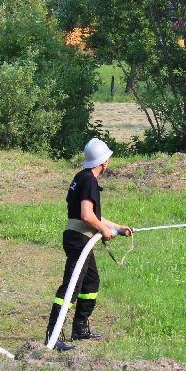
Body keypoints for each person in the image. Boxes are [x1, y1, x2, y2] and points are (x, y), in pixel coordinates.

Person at [45, 138, 132, 351]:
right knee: (71, 286)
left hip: (80, 237)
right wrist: (103, 231)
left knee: (91, 283)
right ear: (103, 161)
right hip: (79, 239)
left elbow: (92, 216)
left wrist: (118, 228)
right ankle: (52, 336)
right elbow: (86, 215)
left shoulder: (81, 177)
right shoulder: (89, 181)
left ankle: (80, 329)